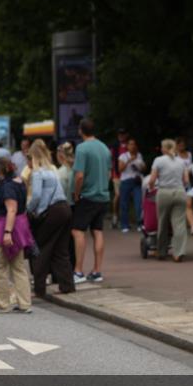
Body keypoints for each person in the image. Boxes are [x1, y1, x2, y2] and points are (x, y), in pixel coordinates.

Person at [27, 139, 74, 296]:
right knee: (61, 249)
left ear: (34, 156)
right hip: (65, 209)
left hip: (53, 212)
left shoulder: (38, 173)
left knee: (40, 248)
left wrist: (29, 210)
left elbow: (37, 196)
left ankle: (39, 289)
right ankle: (67, 285)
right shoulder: (52, 171)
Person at [0, 157, 33, 313]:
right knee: (18, 266)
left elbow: (11, 209)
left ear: (1, 170)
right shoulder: (19, 181)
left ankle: (2, 303)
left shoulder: (7, 187)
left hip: (7, 226)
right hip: (20, 226)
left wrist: (7, 233)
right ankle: (25, 303)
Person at [71, 119, 111, 283]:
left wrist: (76, 193)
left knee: (77, 231)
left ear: (81, 130)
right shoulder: (104, 148)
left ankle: (78, 271)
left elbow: (79, 175)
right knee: (97, 231)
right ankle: (97, 271)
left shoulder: (82, 148)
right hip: (102, 195)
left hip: (88, 195)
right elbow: (108, 173)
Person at [147, 139, 191, 262]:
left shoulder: (158, 160)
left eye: (162, 147)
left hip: (164, 193)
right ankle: (178, 252)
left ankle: (161, 251)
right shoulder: (182, 162)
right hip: (180, 192)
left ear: (165, 149)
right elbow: (186, 181)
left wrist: (150, 187)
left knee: (163, 222)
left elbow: (152, 179)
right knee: (179, 224)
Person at [117, 138, 146, 233]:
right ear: (127, 146)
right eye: (130, 144)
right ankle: (124, 225)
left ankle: (140, 223)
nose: (132, 146)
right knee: (124, 203)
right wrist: (129, 160)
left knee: (139, 203)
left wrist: (141, 166)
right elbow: (120, 169)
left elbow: (144, 168)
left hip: (137, 181)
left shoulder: (139, 155)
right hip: (126, 181)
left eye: (134, 144)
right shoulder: (123, 156)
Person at [176, 137, 193, 234]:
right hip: (177, 184)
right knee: (178, 206)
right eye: (180, 144)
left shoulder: (189, 154)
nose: (182, 146)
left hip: (188, 183)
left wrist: (190, 170)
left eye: (183, 144)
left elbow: (192, 166)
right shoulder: (174, 155)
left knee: (189, 204)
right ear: (176, 145)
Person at [109, 129, 130, 229]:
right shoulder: (115, 146)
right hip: (117, 175)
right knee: (118, 195)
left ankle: (124, 219)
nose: (121, 136)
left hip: (128, 175)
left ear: (126, 135)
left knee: (126, 197)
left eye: (123, 134)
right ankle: (115, 216)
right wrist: (110, 172)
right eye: (119, 134)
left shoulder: (130, 146)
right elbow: (110, 160)